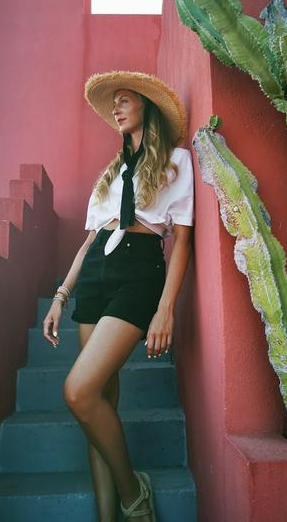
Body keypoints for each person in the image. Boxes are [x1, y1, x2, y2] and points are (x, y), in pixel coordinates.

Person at [43, 71, 194, 522]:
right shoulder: (108, 176)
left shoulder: (177, 161)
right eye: (115, 103)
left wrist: (166, 307)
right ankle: (109, 517)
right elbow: (89, 242)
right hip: (96, 275)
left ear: (146, 105)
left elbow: (182, 240)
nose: (117, 108)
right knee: (99, 404)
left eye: (125, 100)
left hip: (138, 272)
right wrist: (60, 296)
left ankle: (134, 495)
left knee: (78, 391)